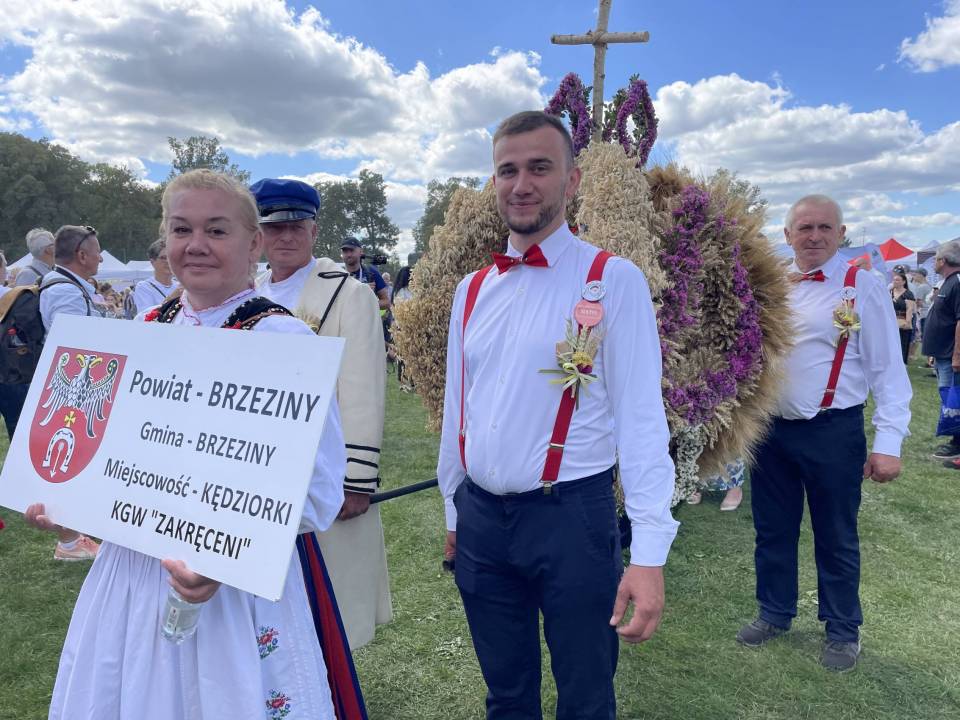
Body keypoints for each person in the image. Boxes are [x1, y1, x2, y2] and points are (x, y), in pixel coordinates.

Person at [25, 169, 346, 719]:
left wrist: (226, 555)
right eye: (181, 229)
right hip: (131, 577)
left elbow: (317, 496)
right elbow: (113, 457)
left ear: (253, 243)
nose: (196, 244)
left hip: (231, 591)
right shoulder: (143, 329)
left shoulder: (283, 341)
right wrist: (74, 506)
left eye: (216, 230)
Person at [438, 111, 678, 719]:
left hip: (573, 517)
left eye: (539, 168)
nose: (522, 184)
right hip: (482, 518)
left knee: (586, 694)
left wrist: (649, 553)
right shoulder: (471, 289)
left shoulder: (612, 279)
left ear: (571, 181)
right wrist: (453, 508)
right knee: (506, 694)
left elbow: (641, 419)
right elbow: (459, 407)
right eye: (508, 170)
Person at [738, 194, 911, 672]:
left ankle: (841, 629)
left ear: (841, 234)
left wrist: (888, 443)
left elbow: (888, 370)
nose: (814, 236)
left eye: (824, 228)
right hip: (770, 431)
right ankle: (774, 612)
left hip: (833, 430)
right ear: (787, 235)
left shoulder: (862, 286)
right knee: (772, 529)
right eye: (804, 228)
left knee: (836, 533)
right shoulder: (771, 284)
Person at [251, 177, 390, 652]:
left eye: (297, 226)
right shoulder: (245, 291)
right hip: (256, 471)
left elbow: (363, 390)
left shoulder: (350, 295)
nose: (286, 236)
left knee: (326, 609)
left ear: (314, 231)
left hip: (319, 470)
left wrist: (357, 479)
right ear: (258, 234)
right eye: (275, 227)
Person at [36, 225, 108, 560]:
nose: (101, 258)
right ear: (82, 255)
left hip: (79, 388)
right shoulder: (65, 290)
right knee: (70, 458)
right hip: (75, 392)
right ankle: (69, 541)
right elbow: (80, 345)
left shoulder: (68, 286)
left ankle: (75, 534)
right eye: (97, 252)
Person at [922, 242, 960, 464]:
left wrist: (957, 355)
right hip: (943, 354)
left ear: (942, 261)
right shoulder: (948, 282)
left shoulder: (957, 282)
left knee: (954, 399)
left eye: (936, 258)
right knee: (949, 398)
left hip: (950, 355)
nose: (935, 262)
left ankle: (957, 442)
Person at [340, 238, 390, 311]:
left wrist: (368, 302)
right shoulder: (337, 275)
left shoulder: (371, 272)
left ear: (361, 251)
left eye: (352, 250)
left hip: (366, 318)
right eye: (345, 251)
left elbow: (387, 302)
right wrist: (360, 291)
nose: (349, 254)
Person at [132, 238, 178, 313]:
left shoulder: (179, 286)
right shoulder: (144, 287)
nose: (168, 261)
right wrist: (172, 297)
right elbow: (146, 316)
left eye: (171, 257)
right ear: (152, 262)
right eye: (163, 258)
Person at [890, 270, 915, 364]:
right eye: (894, 280)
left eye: (897, 280)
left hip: (902, 322)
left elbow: (909, 309)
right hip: (891, 322)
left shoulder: (908, 294)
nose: (894, 281)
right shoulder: (889, 292)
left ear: (903, 282)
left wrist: (907, 322)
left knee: (902, 344)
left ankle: (902, 364)